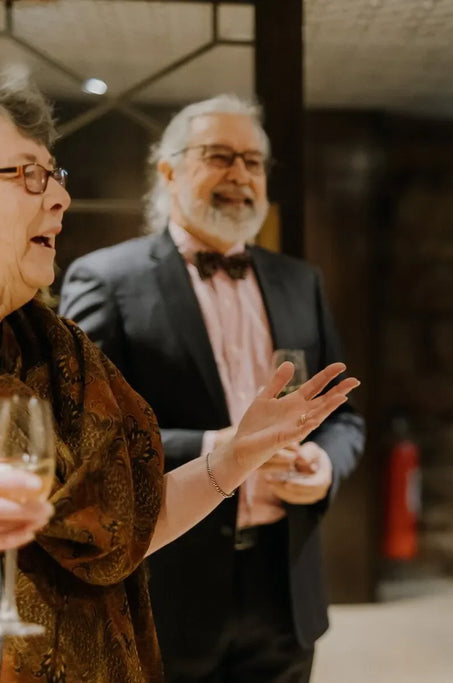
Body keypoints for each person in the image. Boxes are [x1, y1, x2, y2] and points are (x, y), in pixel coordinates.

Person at [0, 75, 359, 682]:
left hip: (281, 581)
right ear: (167, 172)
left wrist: (269, 456)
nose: (59, 198)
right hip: (176, 593)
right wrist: (216, 443)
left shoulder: (301, 281)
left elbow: (116, 501)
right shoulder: (108, 280)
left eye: (253, 161)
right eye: (220, 156)